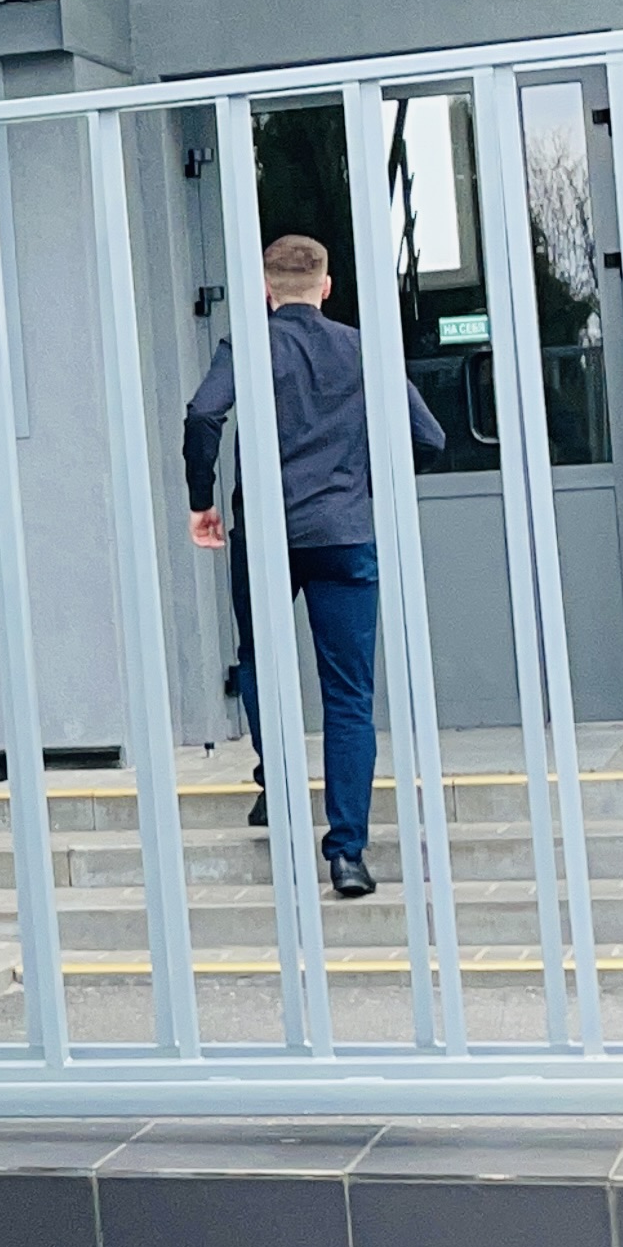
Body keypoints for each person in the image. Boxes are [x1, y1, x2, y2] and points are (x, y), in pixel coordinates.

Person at [184, 233, 444, 897]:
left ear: (265, 291)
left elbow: (204, 413)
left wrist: (200, 501)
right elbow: (429, 438)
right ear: (327, 288)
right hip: (342, 535)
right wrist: (360, 486)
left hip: (267, 534)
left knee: (258, 663)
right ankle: (347, 855)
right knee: (349, 695)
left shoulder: (246, 344)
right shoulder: (362, 349)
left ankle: (276, 782)